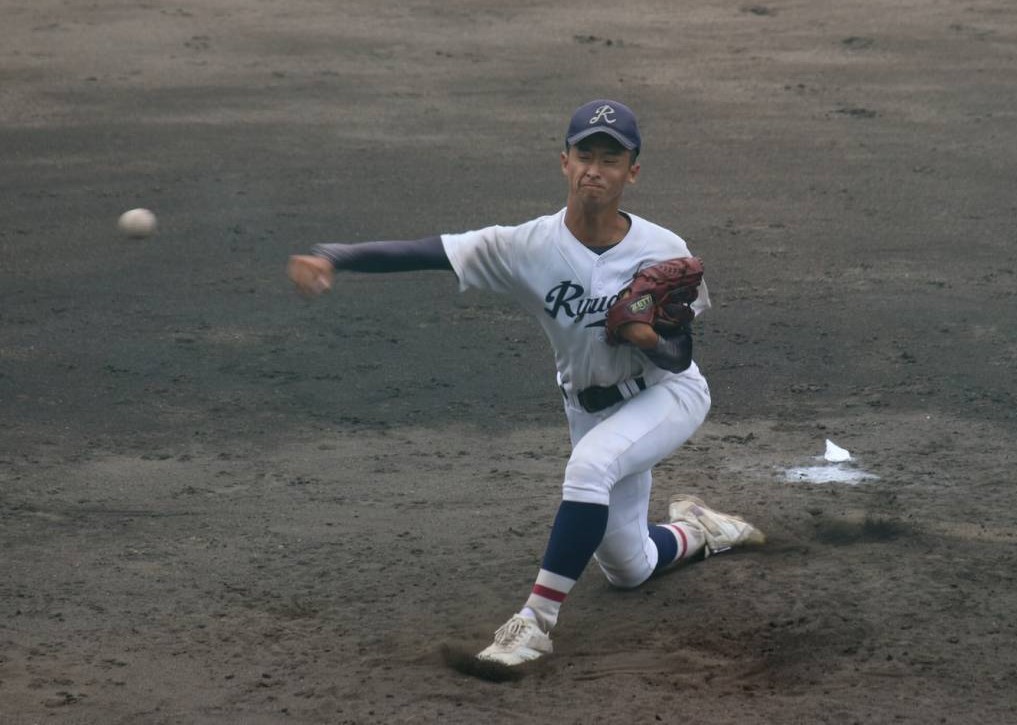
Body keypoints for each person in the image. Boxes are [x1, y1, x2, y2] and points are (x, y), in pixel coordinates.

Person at [288, 99, 765, 667]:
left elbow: (680, 353)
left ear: (631, 171)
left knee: (590, 468)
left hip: (667, 395)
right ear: (563, 162)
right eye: (584, 154)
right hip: (589, 411)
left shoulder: (664, 249)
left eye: (610, 159)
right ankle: (699, 530)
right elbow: (428, 252)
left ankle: (533, 625)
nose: (595, 168)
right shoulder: (525, 247)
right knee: (628, 568)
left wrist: (644, 339)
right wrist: (332, 257)